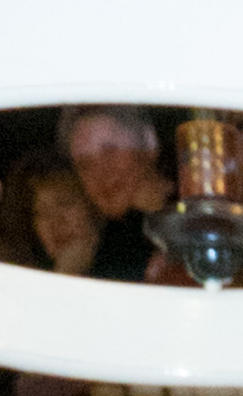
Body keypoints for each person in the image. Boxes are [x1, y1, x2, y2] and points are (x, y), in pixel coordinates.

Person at [58, 108, 175, 283]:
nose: (101, 173)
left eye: (110, 151)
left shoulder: (203, 206)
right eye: (85, 164)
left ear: (149, 143)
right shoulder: (107, 256)